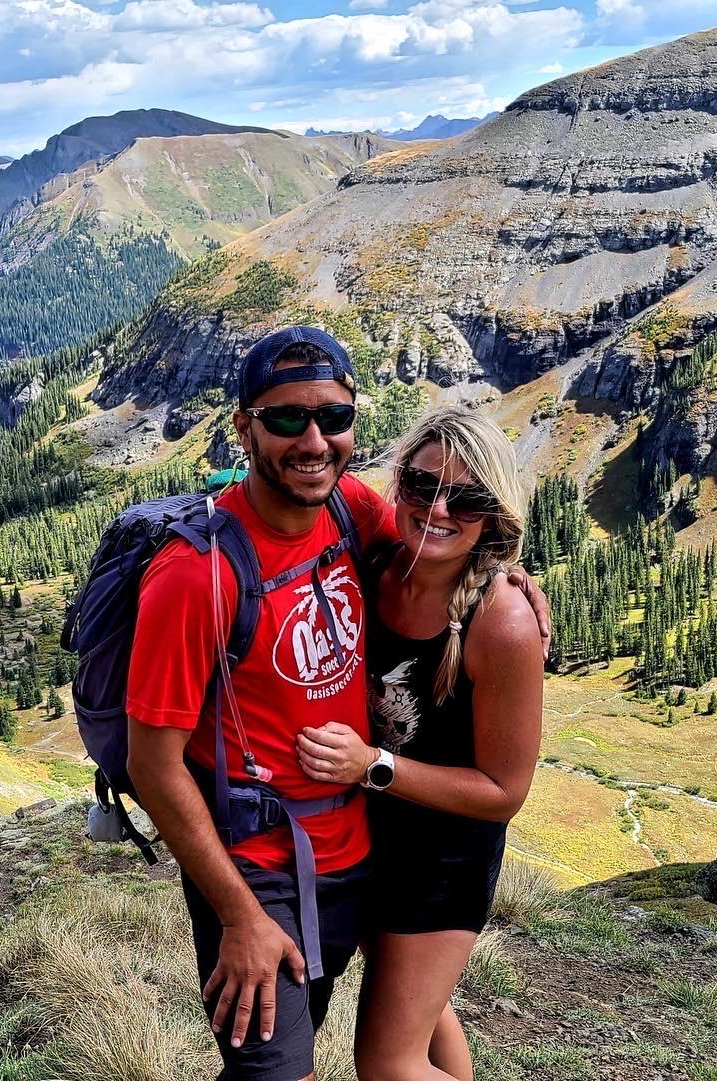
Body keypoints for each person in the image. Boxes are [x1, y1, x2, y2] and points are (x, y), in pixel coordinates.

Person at [126, 327, 548, 1081]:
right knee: (280, 1071)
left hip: (363, 849)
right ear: (244, 426)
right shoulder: (196, 575)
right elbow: (151, 764)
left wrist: (510, 580)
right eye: (286, 417)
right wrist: (239, 915)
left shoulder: (350, 510)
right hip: (264, 869)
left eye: (333, 417)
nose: (313, 439)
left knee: (390, 1043)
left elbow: (448, 550)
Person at [294, 403, 544, 1081]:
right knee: (424, 1019)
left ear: (493, 513)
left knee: (386, 1061)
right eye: (421, 484)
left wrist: (371, 765)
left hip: (442, 861)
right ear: (397, 481)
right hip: (371, 838)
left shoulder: (503, 623)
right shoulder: (376, 560)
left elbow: (504, 791)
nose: (437, 508)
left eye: (464, 498)